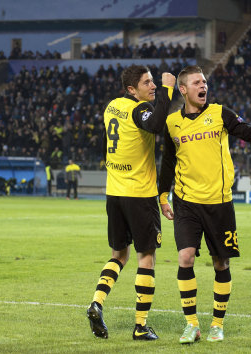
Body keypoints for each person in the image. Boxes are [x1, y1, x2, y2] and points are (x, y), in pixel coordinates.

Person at [158, 65, 251, 344]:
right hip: (187, 203)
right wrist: (163, 195)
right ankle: (191, 325)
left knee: (220, 263)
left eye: (205, 82)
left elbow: (245, 131)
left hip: (219, 203)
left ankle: (217, 324)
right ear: (183, 89)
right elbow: (168, 162)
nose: (203, 86)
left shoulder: (220, 113)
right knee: (185, 257)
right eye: (197, 82)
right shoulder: (172, 122)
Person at [86, 65, 176, 341]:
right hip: (139, 194)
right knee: (146, 257)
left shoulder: (111, 107)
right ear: (131, 89)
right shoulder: (139, 109)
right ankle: (140, 326)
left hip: (114, 192)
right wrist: (169, 90)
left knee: (119, 256)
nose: (153, 86)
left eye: (153, 82)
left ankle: (96, 303)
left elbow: (104, 146)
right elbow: (157, 124)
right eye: (147, 83)